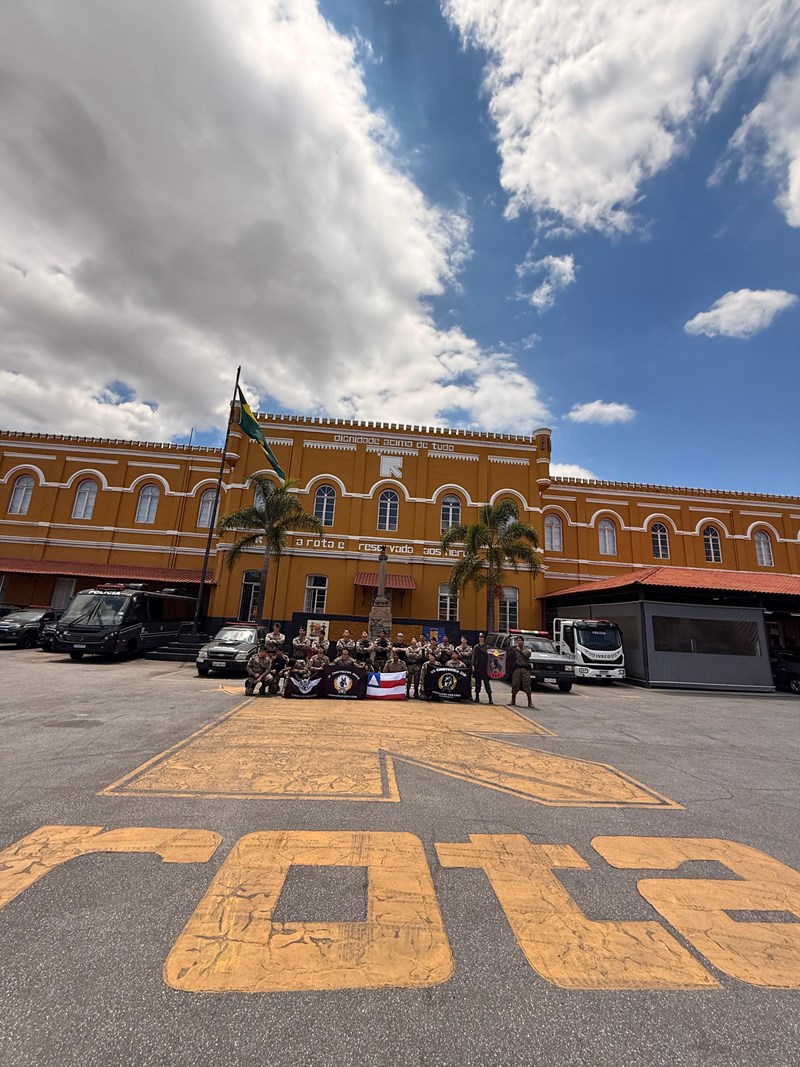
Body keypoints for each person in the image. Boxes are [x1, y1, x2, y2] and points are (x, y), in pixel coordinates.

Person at [509, 636, 533, 707]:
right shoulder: (514, 650)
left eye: (520, 640)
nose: (519, 642)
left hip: (525, 670)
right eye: (518, 640)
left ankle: (530, 701)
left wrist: (519, 650)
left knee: (527, 686)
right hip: (517, 669)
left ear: (523, 642)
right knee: (515, 685)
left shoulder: (527, 649)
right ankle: (513, 700)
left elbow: (527, 655)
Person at [472, 632, 493, 704]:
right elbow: (473, 657)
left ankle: (490, 698)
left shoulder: (487, 647)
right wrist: (473, 665)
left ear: (484, 638)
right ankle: (477, 697)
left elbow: (492, 657)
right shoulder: (476, 647)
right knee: (477, 683)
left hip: (485, 667)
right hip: (478, 667)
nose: (481, 638)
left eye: (482, 637)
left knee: (487, 683)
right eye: (480, 637)